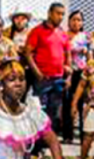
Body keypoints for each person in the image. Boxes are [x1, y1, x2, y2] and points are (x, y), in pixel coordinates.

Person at [25, 3, 69, 138]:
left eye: (62, 14)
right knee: (39, 111)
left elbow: (68, 54)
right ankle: (35, 141)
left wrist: (68, 74)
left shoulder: (62, 33)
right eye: (58, 13)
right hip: (43, 79)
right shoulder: (37, 31)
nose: (60, 17)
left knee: (53, 112)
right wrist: (37, 73)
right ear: (50, 13)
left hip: (59, 78)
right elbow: (28, 53)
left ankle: (47, 141)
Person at [62, 10, 88, 143]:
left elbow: (91, 56)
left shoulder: (86, 37)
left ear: (82, 22)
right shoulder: (63, 36)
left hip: (82, 73)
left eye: (79, 19)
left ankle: (84, 135)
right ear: (69, 21)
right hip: (67, 72)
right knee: (67, 103)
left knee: (81, 103)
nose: (76, 22)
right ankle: (68, 134)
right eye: (73, 19)